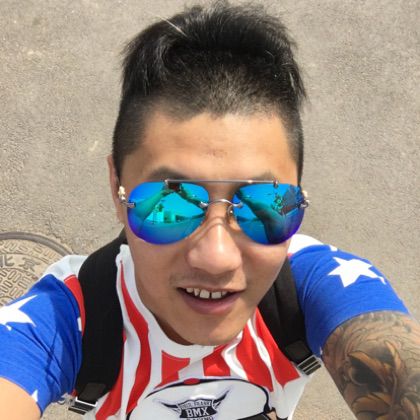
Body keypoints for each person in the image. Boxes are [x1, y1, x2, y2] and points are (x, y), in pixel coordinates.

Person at [0, 2, 419, 419]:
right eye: (168, 203)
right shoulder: (69, 319)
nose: (216, 258)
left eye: (264, 204)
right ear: (116, 188)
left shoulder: (310, 288)